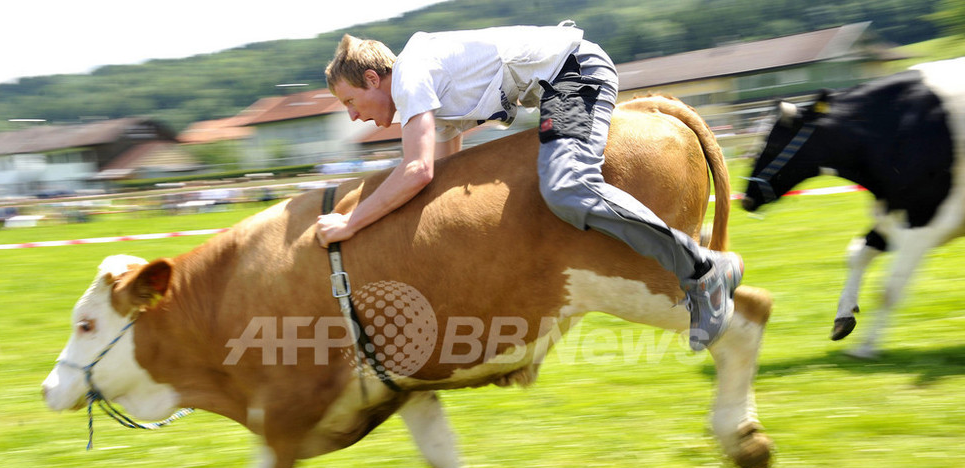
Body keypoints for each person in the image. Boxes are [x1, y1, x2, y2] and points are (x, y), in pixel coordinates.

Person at [318, 23, 743, 350]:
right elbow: (439, 183)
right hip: (562, 86)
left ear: (374, 79)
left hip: (574, 75)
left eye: (350, 102)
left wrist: (350, 223)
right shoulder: (426, 97)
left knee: (567, 189)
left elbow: (416, 171)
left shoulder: (411, 75)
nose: (353, 117)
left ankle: (704, 270)